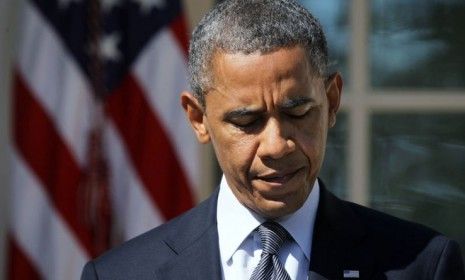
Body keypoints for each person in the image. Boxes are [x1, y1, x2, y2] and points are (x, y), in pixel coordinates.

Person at [81, 0, 465, 279]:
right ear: (198, 119)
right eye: (246, 121)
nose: (277, 145)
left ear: (331, 101)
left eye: (298, 113)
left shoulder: (422, 265)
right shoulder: (121, 275)